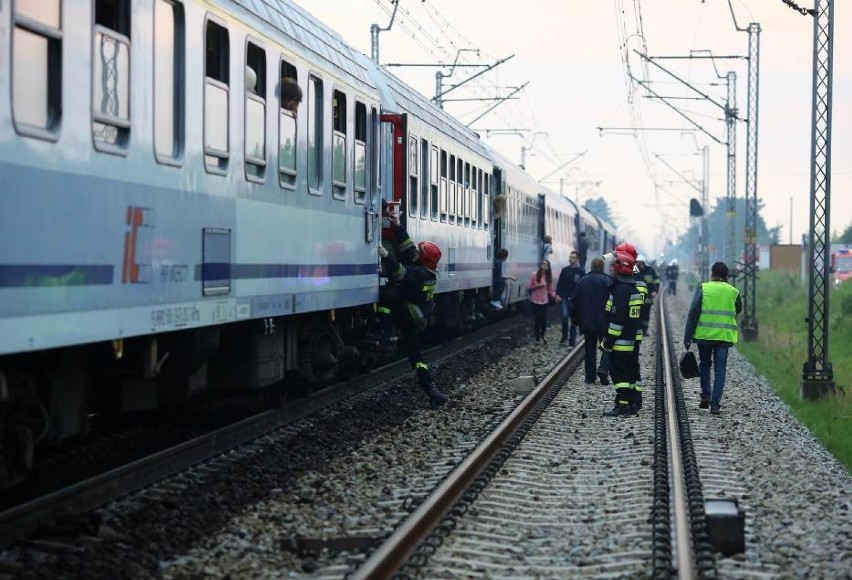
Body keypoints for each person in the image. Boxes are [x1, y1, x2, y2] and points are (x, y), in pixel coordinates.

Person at [378, 210, 448, 409]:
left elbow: (400, 272)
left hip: (410, 314)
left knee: (387, 296)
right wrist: (398, 225)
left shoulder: (418, 274)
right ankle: (433, 391)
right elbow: (408, 249)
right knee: (417, 358)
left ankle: (384, 333)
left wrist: (385, 255)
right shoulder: (427, 271)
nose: (416, 252)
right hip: (416, 318)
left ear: (423, 258)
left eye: (420, 252)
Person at [683, 261, 742, 415]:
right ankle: (715, 405)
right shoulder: (733, 291)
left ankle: (706, 395)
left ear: (712, 273)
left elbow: (693, 312)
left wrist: (687, 337)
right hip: (723, 337)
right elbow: (738, 309)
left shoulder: (703, 288)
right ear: (727, 276)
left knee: (705, 364)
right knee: (720, 370)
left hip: (704, 336)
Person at [601, 250, 643, 416]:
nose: (610, 268)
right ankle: (633, 401)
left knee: (619, 373)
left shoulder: (620, 292)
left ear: (620, 268)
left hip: (620, 343)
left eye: (613, 265)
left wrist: (608, 341)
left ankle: (623, 404)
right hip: (631, 341)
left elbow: (618, 320)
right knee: (631, 371)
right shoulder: (632, 289)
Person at [570, 257, 612, 383]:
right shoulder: (608, 281)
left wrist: (575, 319)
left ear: (591, 267)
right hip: (605, 322)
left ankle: (590, 377)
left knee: (589, 349)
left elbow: (573, 302)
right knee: (607, 347)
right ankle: (603, 369)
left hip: (587, 322)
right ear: (602, 267)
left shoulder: (583, 281)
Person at [527, 259, 560, 344]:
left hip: (544, 301)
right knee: (537, 320)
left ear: (548, 267)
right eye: (543, 264)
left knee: (544, 320)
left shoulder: (548, 277)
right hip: (535, 300)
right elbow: (528, 287)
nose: (544, 266)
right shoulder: (534, 275)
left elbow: (550, 289)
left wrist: (555, 296)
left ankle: (543, 335)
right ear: (540, 265)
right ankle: (537, 338)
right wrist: (537, 286)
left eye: (546, 264)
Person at [556, 251, 584, 346]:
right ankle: (564, 335)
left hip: (575, 300)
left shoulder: (581, 271)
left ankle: (572, 339)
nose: (570, 259)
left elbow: (582, 286)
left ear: (577, 259)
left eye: (573, 257)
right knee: (564, 317)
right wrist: (557, 294)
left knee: (574, 320)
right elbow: (560, 283)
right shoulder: (564, 270)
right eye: (570, 257)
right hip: (564, 298)